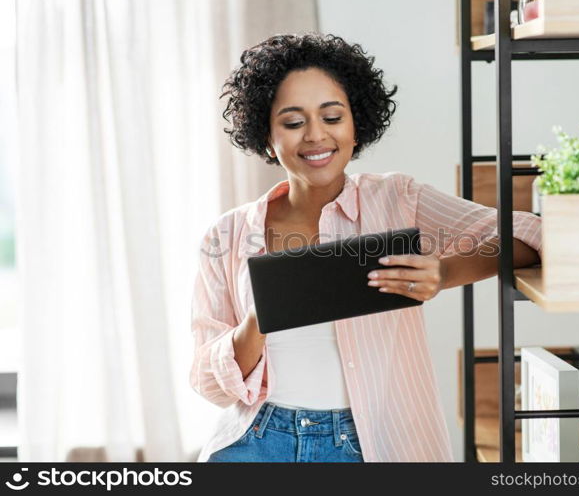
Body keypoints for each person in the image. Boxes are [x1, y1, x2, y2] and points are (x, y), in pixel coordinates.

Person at [190, 33, 542, 462]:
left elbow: (528, 233)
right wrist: (258, 320)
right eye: (293, 122)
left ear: (357, 125)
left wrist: (445, 274)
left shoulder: (398, 199)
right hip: (259, 440)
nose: (315, 136)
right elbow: (208, 382)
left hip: (371, 445)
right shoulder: (226, 235)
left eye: (332, 117)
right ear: (267, 137)